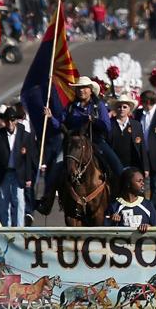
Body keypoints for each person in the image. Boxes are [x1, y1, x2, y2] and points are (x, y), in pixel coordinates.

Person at [37, 76, 122, 214]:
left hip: (96, 142)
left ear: (90, 90)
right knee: (55, 167)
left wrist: (94, 120)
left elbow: (107, 127)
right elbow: (60, 124)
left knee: (118, 168)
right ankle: (47, 201)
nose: (81, 91)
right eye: (79, 88)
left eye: (84, 88)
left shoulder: (98, 106)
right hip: (74, 144)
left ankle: (118, 203)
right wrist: (51, 117)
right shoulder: (70, 107)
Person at [106, 168, 156, 309]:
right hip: (120, 262)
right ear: (129, 184)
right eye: (138, 181)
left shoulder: (146, 205)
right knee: (122, 301)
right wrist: (112, 222)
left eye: (142, 181)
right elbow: (102, 233)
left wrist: (150, 227)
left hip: (142, 262)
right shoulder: (115, 205)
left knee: (141, 301)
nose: (142, 184)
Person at [0, 109, 35, 227]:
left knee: (19, 200)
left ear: (16, 121)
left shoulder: (25, 136)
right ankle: (6, 228)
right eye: (7, 120)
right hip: (3, 173)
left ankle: (19, 227)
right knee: (4, 202)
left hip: (18, 173)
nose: (10, 123)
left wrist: (29, 177)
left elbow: (28, 159)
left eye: (12, 120)